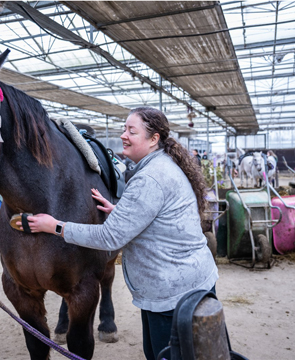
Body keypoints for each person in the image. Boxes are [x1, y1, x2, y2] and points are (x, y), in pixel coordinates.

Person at [18, 107, 218, 360]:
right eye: (124, 129)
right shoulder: (163, 165)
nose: (123, 135)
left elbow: (108, 238)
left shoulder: (149, 178)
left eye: (131, 131)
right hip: (189, 281)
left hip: (173, 294)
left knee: (167, 355)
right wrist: (121, 211)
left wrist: (54, 226)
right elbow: (156, 214)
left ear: (154, 139)